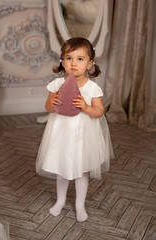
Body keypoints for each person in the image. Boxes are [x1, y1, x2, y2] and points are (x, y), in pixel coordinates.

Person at [36, 37, 114, 222]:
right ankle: (60, 201)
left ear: (89, 64)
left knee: (81, 171)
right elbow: (47, 106)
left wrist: (86, 107)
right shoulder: (57, 84)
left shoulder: (92, 87)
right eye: (69, 58)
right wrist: (52, 103)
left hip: (82, 137)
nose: (73, 63)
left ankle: (80, 205)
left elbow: (99, 111)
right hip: (60, 135)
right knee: (61, 169)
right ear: (62, 60)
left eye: (80, 59)